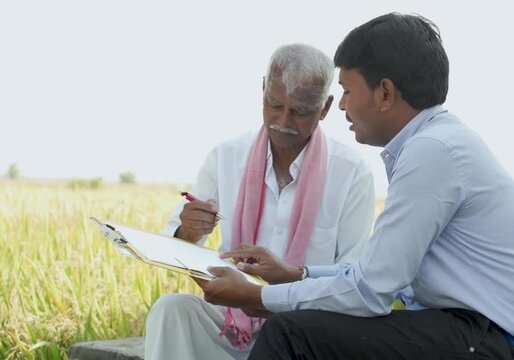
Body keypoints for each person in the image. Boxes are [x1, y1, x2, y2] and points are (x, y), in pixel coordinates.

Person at [196, 13, 514, 360]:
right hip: (475, 330)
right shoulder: (433, 142)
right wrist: (298, 275)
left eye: (346, 89)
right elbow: (378, 271)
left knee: (290, 334)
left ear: (385, 93)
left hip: (511, 344)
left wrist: (258, 294)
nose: (341, 106)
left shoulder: (432, 151)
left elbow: (370, 291)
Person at [144, 43, 376, 360]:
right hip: (232, 319)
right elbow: (177, 242)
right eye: (274, 104)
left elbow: (352, 278)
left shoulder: (352, 173)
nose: (284, 120)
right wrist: (186, 231)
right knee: (171, 310)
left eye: (301, 111)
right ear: (263, 89)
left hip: (306, 329)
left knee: (288, 330)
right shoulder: (226, 156)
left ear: (325, 108)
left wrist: (276, 290)